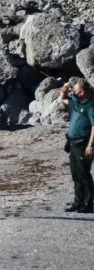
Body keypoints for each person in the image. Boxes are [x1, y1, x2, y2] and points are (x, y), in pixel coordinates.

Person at [59, 79, 94, 213]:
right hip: (72, 143)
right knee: (76, 174)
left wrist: (91, 145)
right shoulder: (75, 101)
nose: (74, 93)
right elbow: (63, 99)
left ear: (83, 91)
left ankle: (88, 203)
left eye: (76, 91)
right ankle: (77, 202)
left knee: (84, 173)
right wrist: (64, 90)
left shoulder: (91, 105)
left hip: (83, 144)